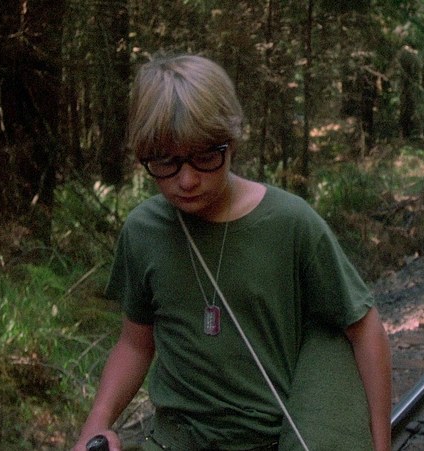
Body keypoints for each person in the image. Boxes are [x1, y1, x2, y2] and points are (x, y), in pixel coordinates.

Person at [73, 54, 392, 451]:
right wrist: (97, 423)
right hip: (177, 438)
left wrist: (381, 444)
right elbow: (135, 343)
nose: (187, 180)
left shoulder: (290, 223)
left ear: (233, 143)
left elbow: (363, 327)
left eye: (206, 157)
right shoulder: (143, 232)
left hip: (272, 437)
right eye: (166, 162)